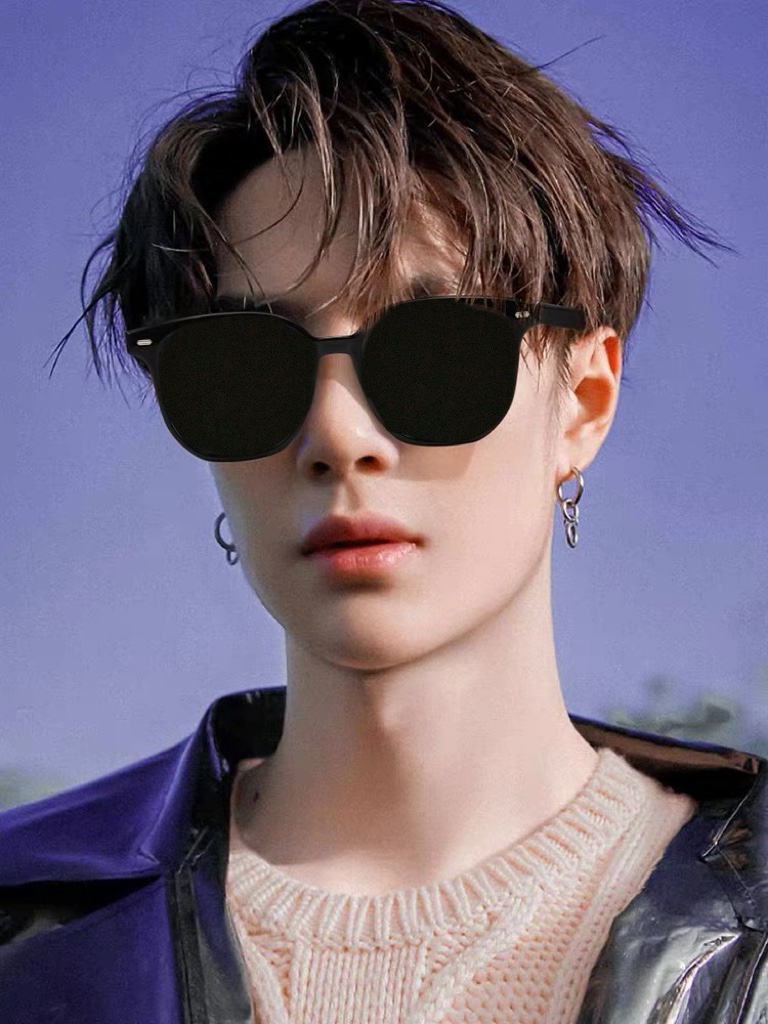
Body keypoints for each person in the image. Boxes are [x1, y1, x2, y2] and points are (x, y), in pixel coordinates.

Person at [2, 0, 765, 1021]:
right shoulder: (24, 938)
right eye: (241, 367)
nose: (336, 432)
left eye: (436, 350)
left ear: (583, 403)